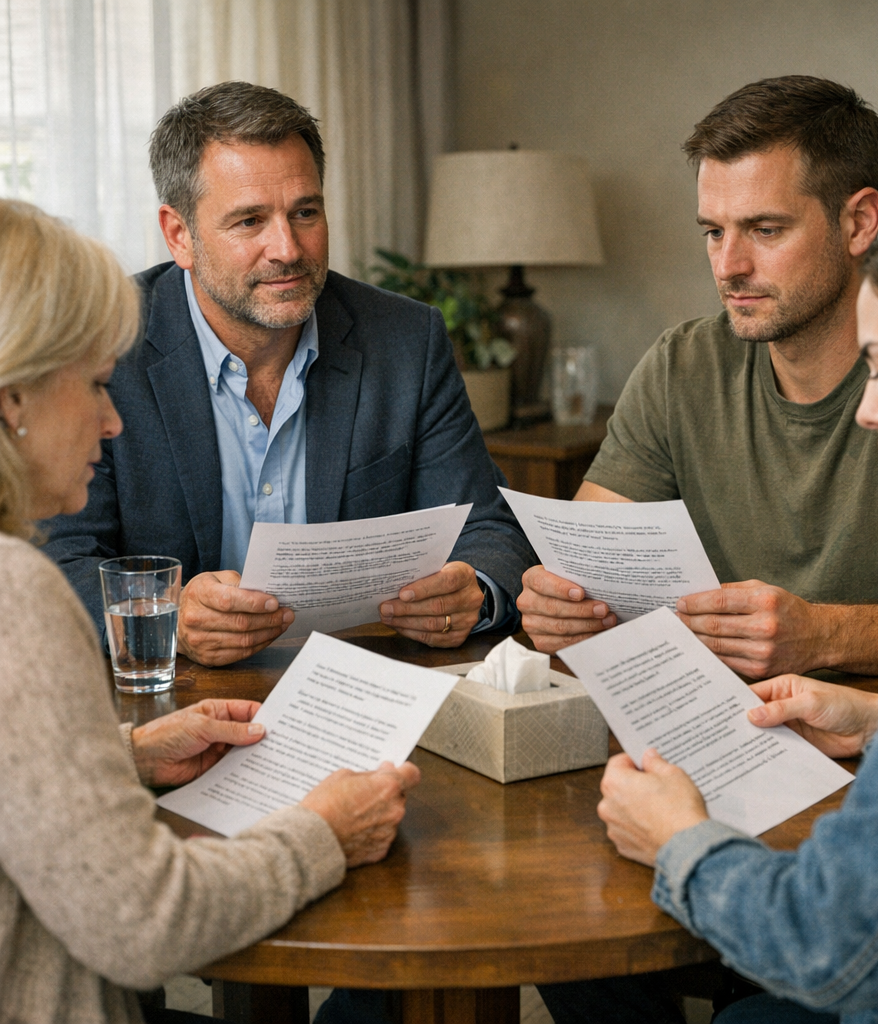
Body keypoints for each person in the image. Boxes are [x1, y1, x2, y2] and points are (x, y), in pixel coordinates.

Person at [562, 171, 878, 1023]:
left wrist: (677, 841)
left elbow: (833, 941)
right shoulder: (684, 363)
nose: (869, 409)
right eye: (711, 230)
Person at [0, 198, 420, 1024]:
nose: (113, 418)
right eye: (92, 384)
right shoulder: (17, 593)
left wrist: (124, 756)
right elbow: (145, 922)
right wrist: (325, 833)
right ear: (14, 401)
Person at [42, 81, 534, 667]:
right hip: (174, 697)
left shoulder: (405, 341)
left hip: (362, 681)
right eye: (249, 221)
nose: (288, 248)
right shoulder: (100, 344)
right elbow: (54, 558)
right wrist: (165, 614)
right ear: (180, 236)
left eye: (305, 212)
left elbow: (490, 527)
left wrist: (474, 592)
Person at [518, 76, 878, 680]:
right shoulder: (681, 365)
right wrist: (560, 605)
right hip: (715, 720)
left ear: (861, 222)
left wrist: (824, 635)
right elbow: (585, 566)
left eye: (766, 230)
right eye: (714, 232)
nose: (729, 267)